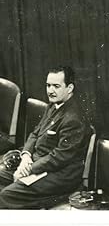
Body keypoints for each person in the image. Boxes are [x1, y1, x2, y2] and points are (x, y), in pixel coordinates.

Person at [0, 66, 90, 209]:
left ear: (70, 88)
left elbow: (59, 157)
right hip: (37, 164)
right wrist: (26, 157)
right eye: (48, 85)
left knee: (6, 196)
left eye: (56, 86)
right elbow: (36, 133)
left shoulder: (73, 118)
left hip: (59, 175)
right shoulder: (54, 105)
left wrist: (28, 169)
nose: (50, 91)